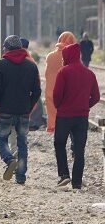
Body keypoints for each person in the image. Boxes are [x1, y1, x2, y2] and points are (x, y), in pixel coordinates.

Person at [0, 35, 41, 185]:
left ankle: (9, 159)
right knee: (22, 142)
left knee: (0, 138)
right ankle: (20, 176)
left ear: (6, 48)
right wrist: (29, 106)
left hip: (5, 110)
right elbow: (37, 91)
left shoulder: (1, 64)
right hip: (24, 111)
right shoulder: (31, 66)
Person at [53, 43, 100, 189]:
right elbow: (96, 97)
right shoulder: (89, 73)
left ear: (67, 56)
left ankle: (64, 175)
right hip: (81, 118)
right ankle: (77, 182)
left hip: (64, 116)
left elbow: (56, 96)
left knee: (59, 144)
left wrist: (60, 106)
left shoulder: (63, 72)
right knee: (80, 149)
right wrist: (85, 107)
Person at [44, 32, 76, 132]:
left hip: (51, 91)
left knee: (53, 115)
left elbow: (46, 74)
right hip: (66, 92)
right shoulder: (72, 57)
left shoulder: (50, 56)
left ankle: (53, 128)